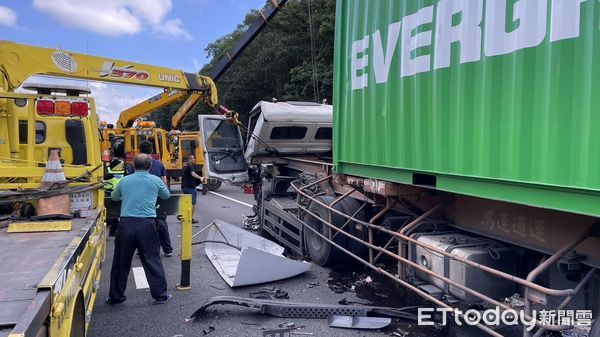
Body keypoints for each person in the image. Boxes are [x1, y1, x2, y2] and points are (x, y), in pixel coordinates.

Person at [106, 154, 172, 305]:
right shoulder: (155, 180)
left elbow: (115, 198)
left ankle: (116, 297)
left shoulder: (124, 180)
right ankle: (160, 295)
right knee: (152, 260)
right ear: (149, 167)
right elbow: (166, 195)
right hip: (147, 224)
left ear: (133, 166)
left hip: (126, 224)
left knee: (121, 261)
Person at [126, 140, 173, 257]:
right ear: (152, 151)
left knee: (142, 224)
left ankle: (142, 248)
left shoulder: (134, 165)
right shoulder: (159, 164)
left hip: (140, 199)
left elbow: (131, 181)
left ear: (139, 150)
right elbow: (164, 182)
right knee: (161, 223)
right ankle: (168, 249)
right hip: (157, 199)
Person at [181, 154, 202, 223]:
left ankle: (184, 217)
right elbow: (193, 174)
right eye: (193, 158)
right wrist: (200, 178)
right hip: (190, 187)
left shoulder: (185, 166)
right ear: (189, 160)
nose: (194, 159)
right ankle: (191, 218)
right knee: (193, 203)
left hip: (184, 187)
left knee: (186, 203)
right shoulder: (190, 166)